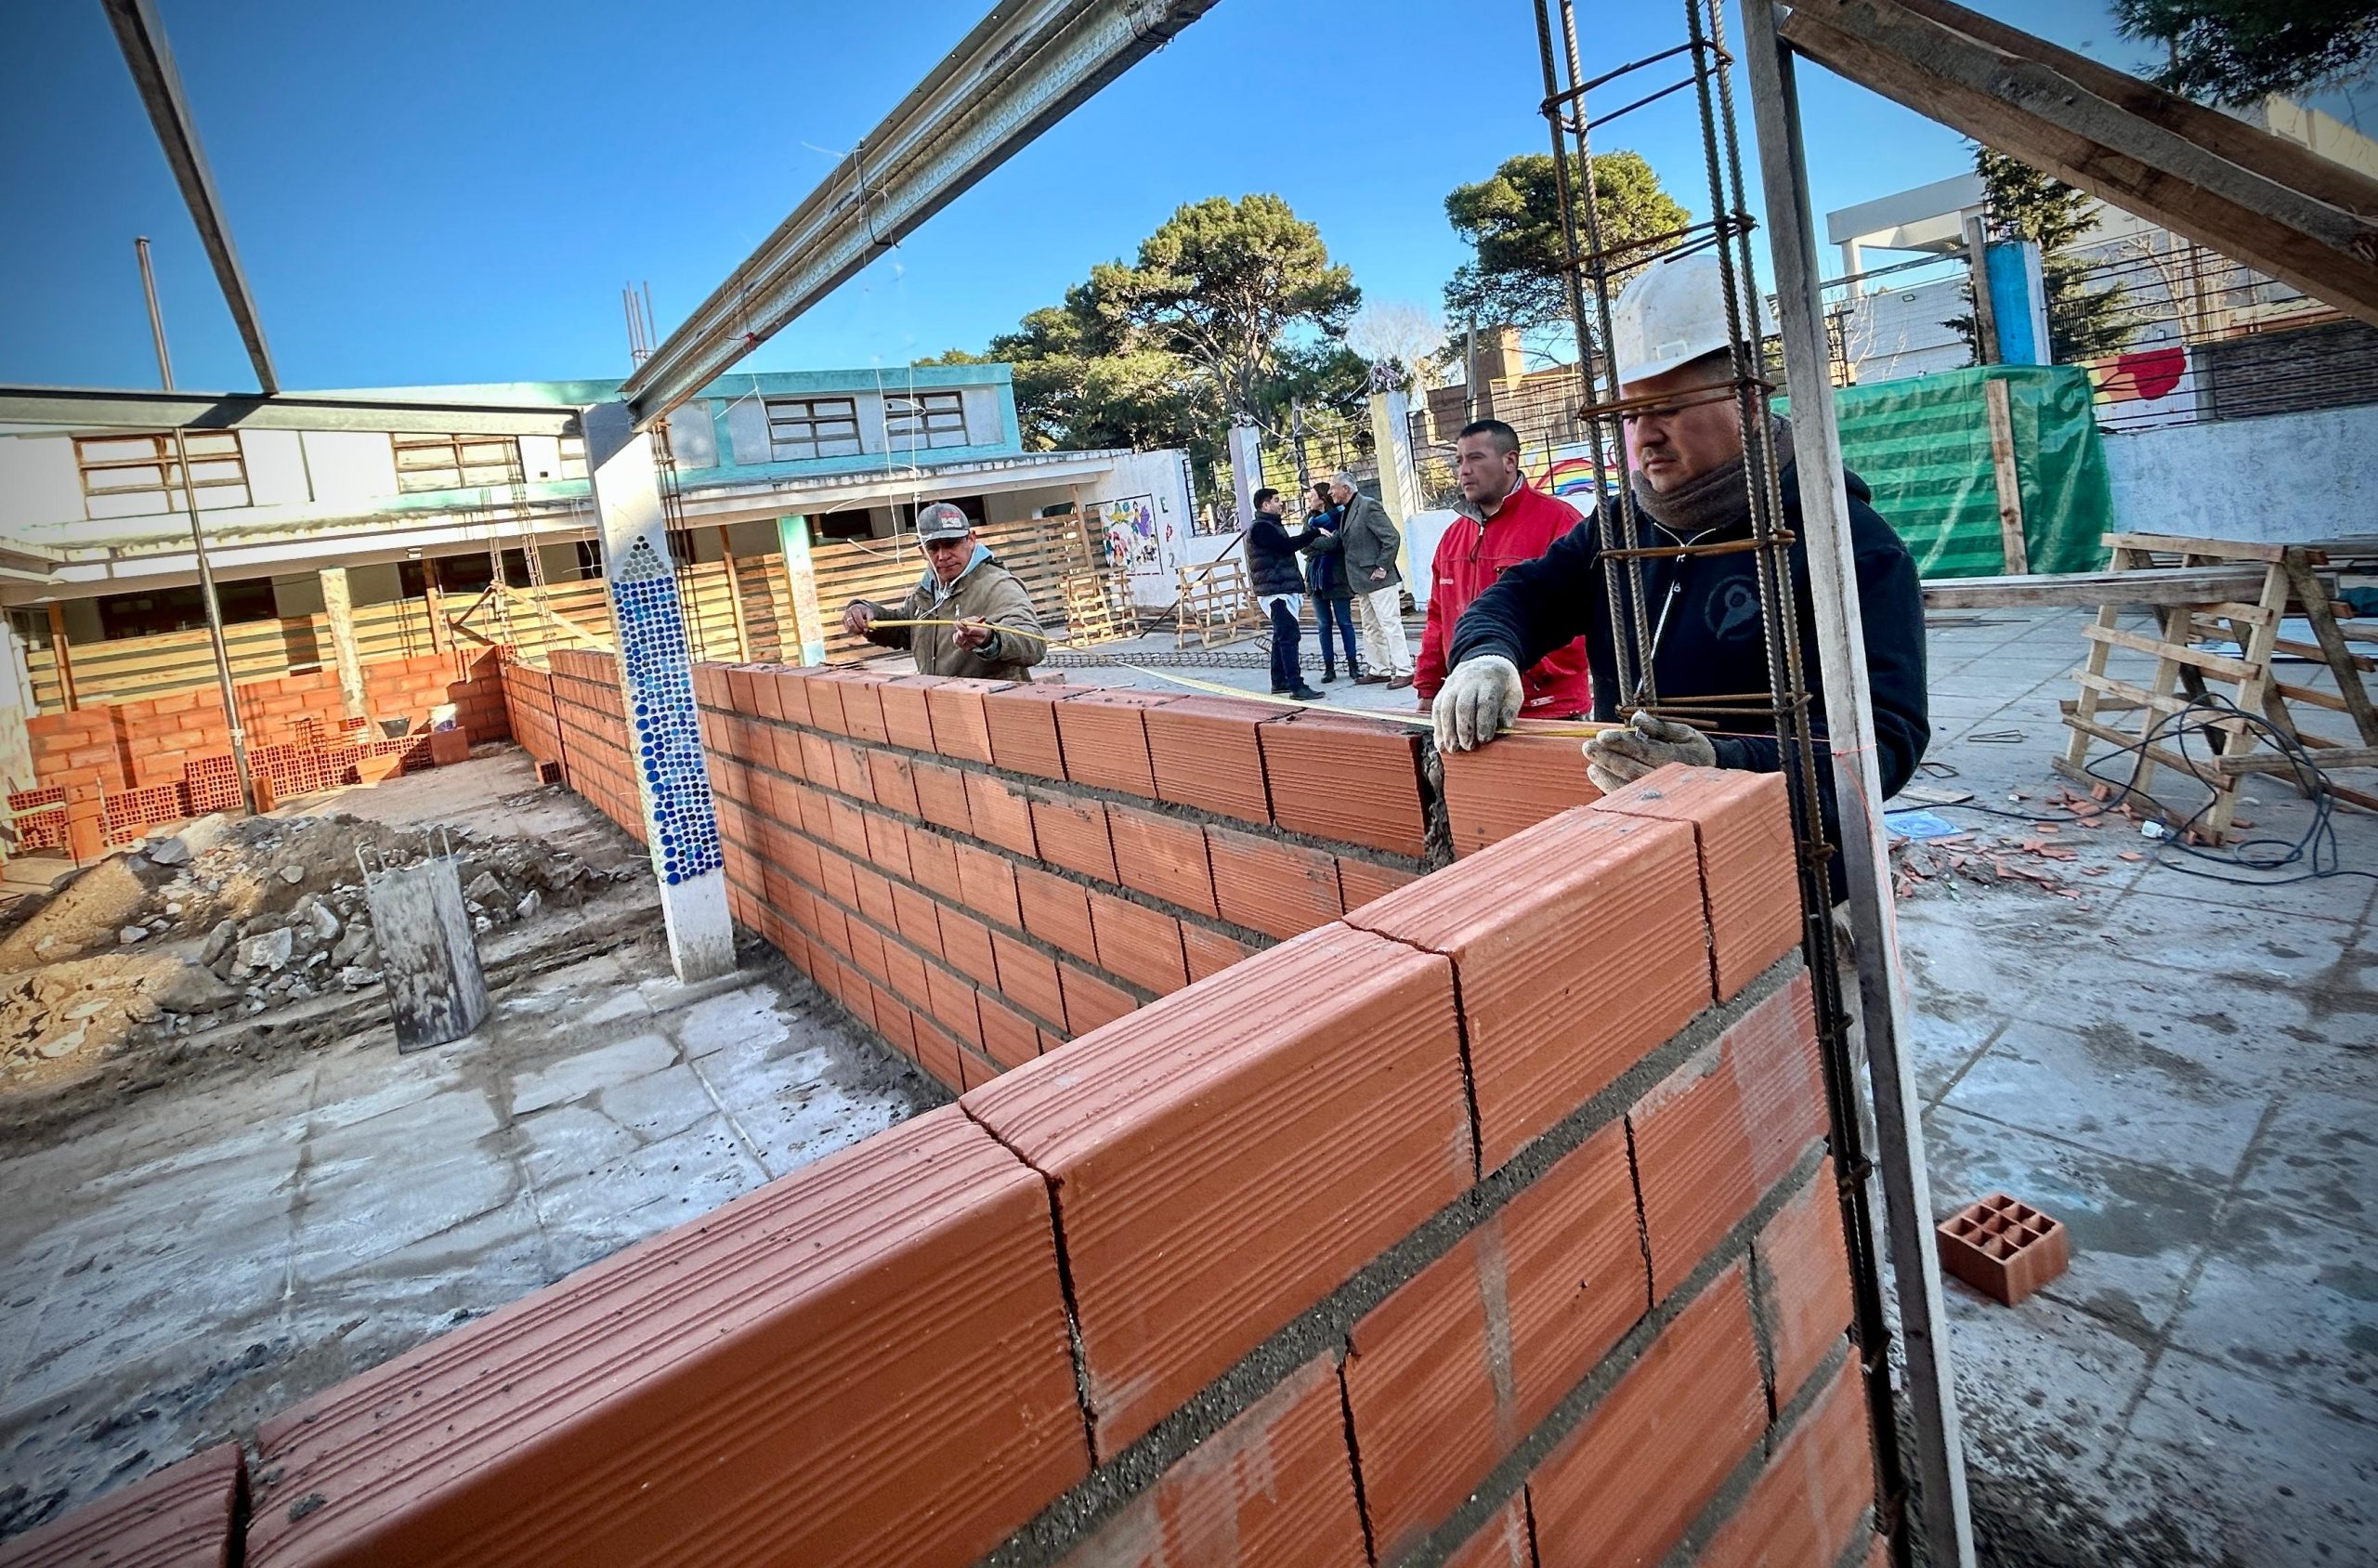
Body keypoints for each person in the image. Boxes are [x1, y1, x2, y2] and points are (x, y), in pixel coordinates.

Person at [1431, 252, 1928, 853]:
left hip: (1781, 861)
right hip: (1642, 840)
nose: (1646, 436)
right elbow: (1525, 594)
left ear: (1745, 402)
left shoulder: (1848, 544)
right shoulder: (1620, 529)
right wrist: (1487, 655)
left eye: (1668, 408)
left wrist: (1723, 767)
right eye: (1632, 413)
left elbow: (1883, 740)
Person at [1413, 422, 1594, 721]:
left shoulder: (1560, 524)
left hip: (1548, 710)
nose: (1464, 470)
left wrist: (1508, 672)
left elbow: (1582, 626)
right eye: (1459, 460)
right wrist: (1428, 689)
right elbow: (1437, 619)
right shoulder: (1452, 538)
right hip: (1468, 707)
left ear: (1510, 461)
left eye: (1476, 458)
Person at [841, 502, 1047, 682]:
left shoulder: (998, 585)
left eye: (951, 544)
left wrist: (990, 639)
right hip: (942, 707)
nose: (942, 555)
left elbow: (1034, 643)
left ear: (971, 539)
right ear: (922, 551)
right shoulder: (928, 589)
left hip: (993, 713)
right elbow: (907, 630)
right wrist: (868, 613)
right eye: (933, 548)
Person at [1332, 473, 1414, 687]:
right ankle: (1379, 669)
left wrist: (1382, 567)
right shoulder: (1347, 510)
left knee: (1390, 624)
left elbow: (1391, 537)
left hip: (1379, 579)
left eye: (1334, 488)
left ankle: (1405, 670)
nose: (1331, 492)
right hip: (1362, 581)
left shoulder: (1368, 506)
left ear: (1346, 489)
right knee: (1370, 627)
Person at [1244, 487, 1324, 700]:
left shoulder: (1270, 526)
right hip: (1275, 592)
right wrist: (1314, 533)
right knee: (1289, 637)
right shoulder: (1261, 528)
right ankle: (1296, 686)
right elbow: (1286, 547)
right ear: (1265, 505)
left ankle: (1279, 681)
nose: (1281, 504)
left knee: (1281, 637)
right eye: (1277, 500)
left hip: (1281, 589)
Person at [1300, 481, 1362, 683]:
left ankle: (1353, 665)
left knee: (1345, 623)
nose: (1309, 500)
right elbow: (1304, 547)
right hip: (1316, 579)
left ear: (1322, 496)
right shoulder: (1309, 520)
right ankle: (1329, 668)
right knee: (1323, 624)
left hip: (1337, 577)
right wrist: (1319, 539)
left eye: (1312, 496)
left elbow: (1338, 543)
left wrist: (1316, 542)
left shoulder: (1340, 515)